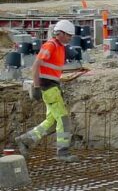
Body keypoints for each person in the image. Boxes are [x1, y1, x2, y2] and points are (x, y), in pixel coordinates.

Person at [16, 20, 78, 162]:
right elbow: (35, 66)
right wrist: (36, 87)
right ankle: (63, 152)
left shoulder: (60, 47)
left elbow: (53, 69)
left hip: (53, 87)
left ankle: (25, 140)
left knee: (51, 120)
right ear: (60, 33)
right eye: (68, 35)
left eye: (71, 36)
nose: (70, 38)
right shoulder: (50, 45)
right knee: (63, 119)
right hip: (48, 88)